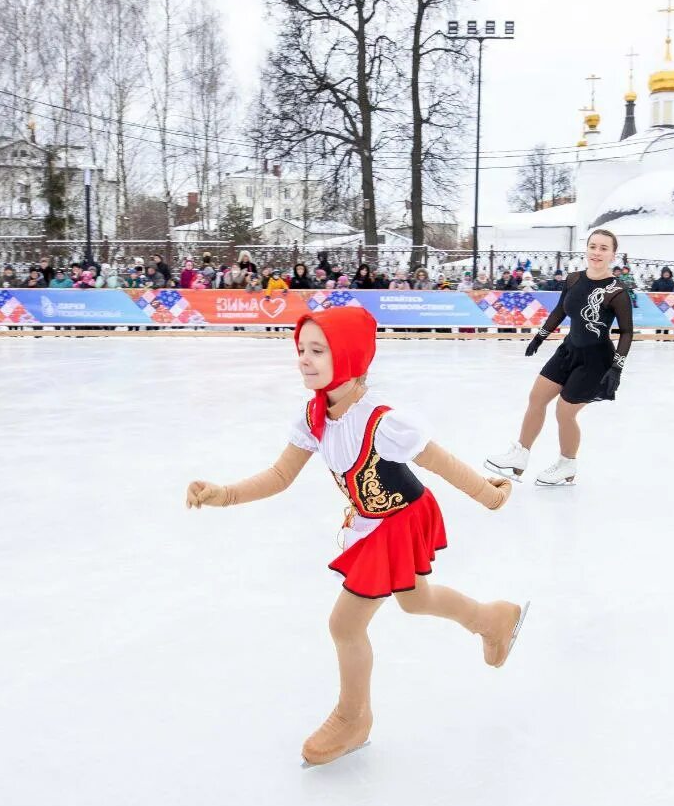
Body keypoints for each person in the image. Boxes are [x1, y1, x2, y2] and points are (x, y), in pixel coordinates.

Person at [185, 307, 526, 767]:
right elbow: (282, 474)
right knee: (415, 600)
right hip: (372, 520)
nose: (304, 359)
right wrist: (223, 494)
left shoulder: (382, 421)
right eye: (301, 350)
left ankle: (352, 719)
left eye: (317, 350)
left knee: (345, 624)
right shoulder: (314, 415)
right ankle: (492, 619)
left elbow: (440, 462)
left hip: (401, 520)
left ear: (347, 356)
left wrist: (491, 496)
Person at [484, 229, 633, 486]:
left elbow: (627, 332)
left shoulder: (617, 291)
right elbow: (559, 311)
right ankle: (520, 455)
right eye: (593, 246)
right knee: (537, 397)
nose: (597, 252)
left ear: (613, 254)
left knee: (564, 412)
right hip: (568, 350)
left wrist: (617, 369)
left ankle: (567, 465)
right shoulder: (574, 279)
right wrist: (540, 336)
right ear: (586, 249)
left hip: (596, 360)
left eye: (603, 248)